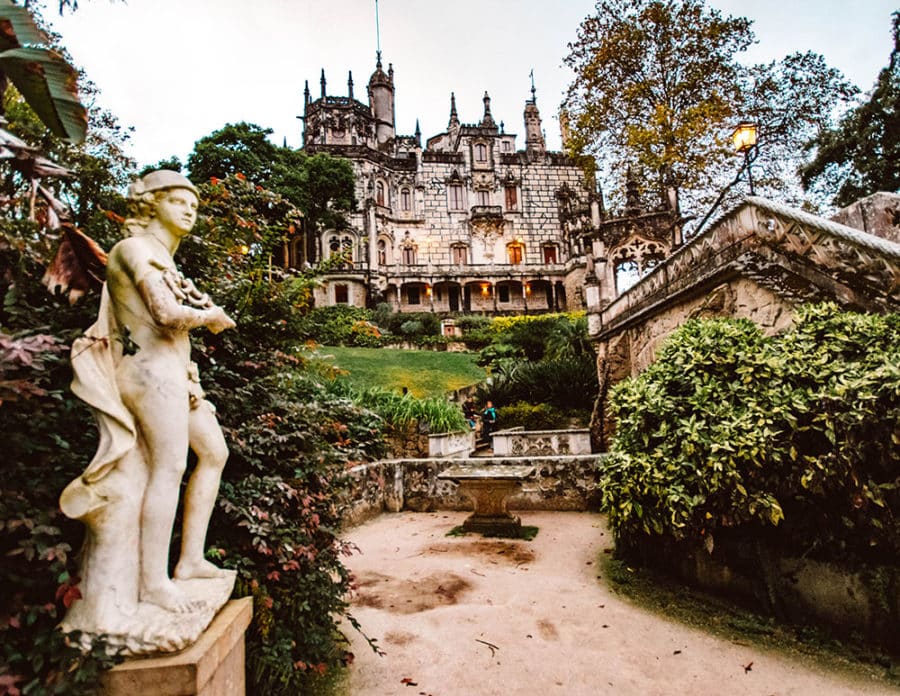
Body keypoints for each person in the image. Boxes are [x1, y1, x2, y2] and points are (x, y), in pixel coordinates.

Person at [61, 170, 235, 617]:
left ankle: (190, 560)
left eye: (193, 203)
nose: (190, 209)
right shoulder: (136, 249)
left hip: (177, 373)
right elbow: (163, 313)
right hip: (147, 373)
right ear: (151, 204)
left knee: (213, 452)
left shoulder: (163, 256)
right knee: (170, 465)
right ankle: (155, 582)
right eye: (178, 201)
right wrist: (210, 316)